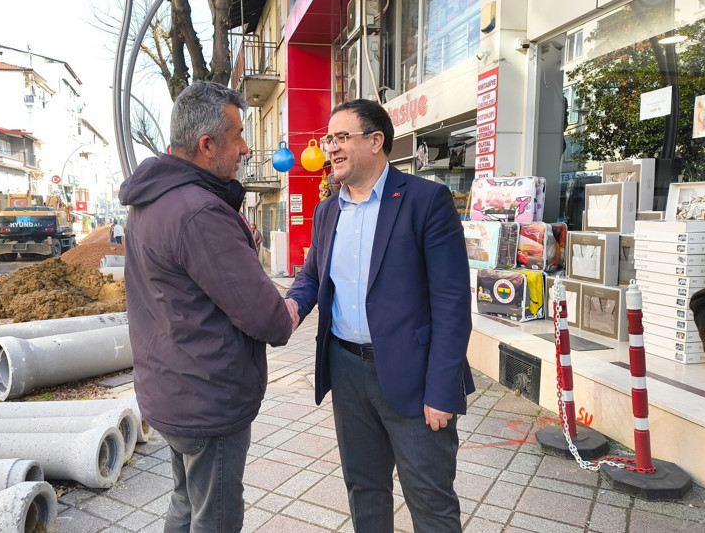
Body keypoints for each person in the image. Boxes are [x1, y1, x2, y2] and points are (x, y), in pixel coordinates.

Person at [285, 99, 474, 532]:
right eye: (328, 138)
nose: (330, 147)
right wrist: (290, 308)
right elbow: (312, 276)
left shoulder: (426, 200)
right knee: (364, 489)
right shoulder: (327, 209)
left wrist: (442, 390)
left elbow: (451, 303)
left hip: (413, 377)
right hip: (347, 370)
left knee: (430, 500)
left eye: (341, 137)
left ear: (376, 141)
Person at [118, 80, 294, 532]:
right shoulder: (200, 212)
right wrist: (290, 311)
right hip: (208, 399)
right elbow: (266, 317)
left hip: (171, 391)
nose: (245, 147)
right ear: (206, 144)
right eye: (237, 136)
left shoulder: (149, 203)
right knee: (215, 517)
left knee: (184, 502)